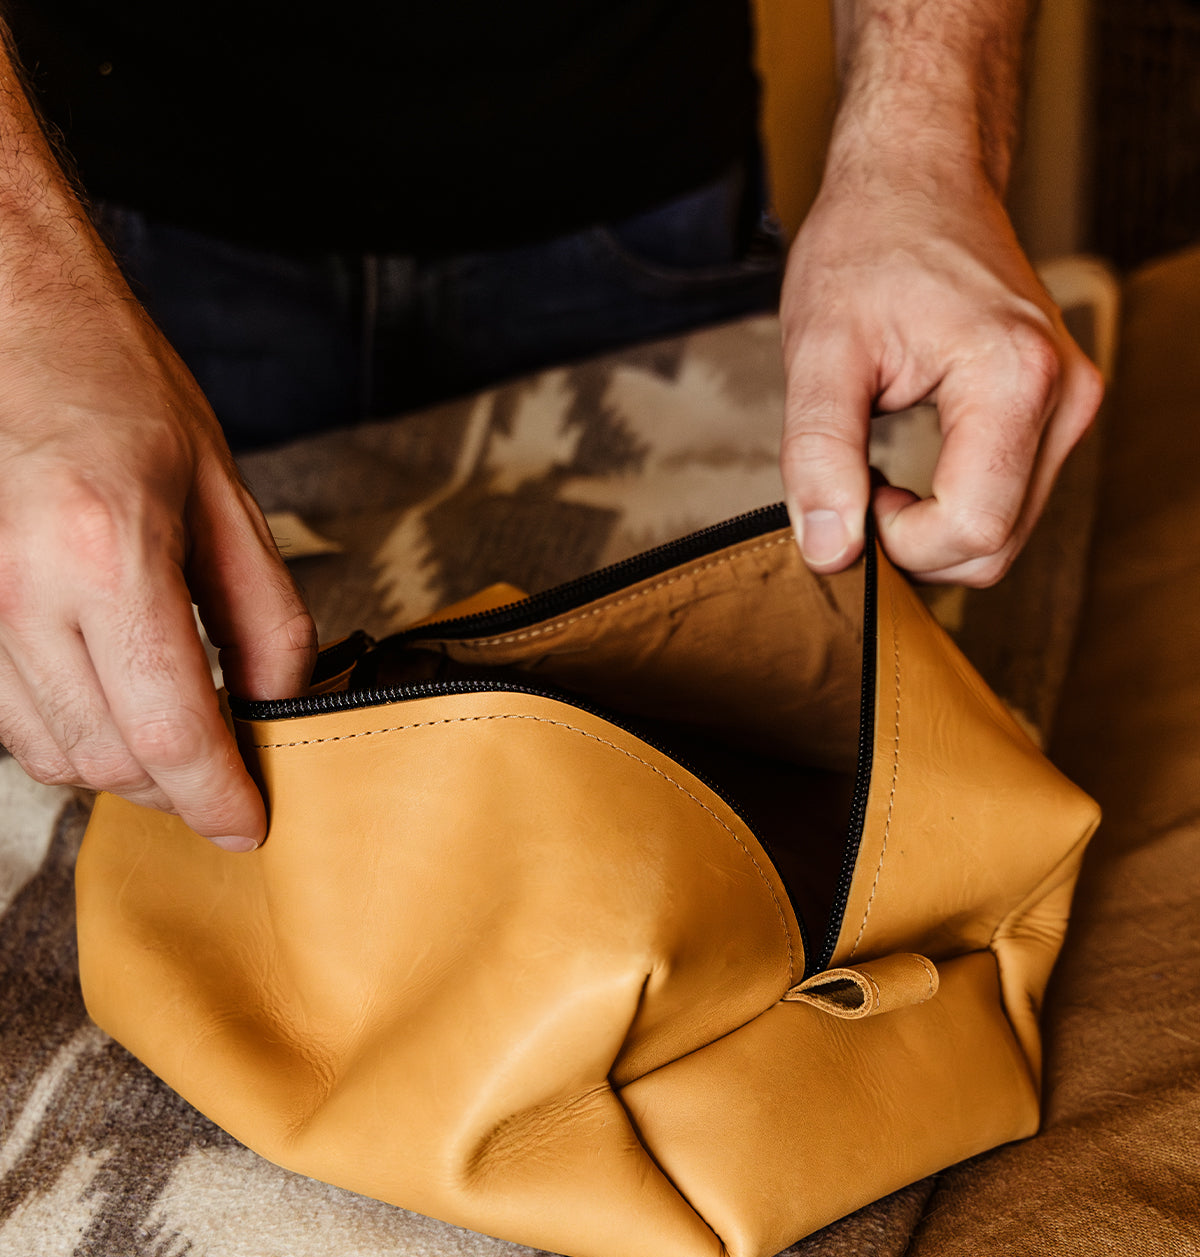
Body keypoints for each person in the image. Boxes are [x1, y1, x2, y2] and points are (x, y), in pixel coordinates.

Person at [0, 0, 1101, 852]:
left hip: (636, 185)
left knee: (767, 759)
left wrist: (925, 144)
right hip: (95, 226)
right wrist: (24, 308)